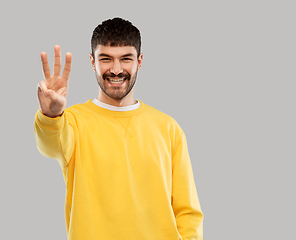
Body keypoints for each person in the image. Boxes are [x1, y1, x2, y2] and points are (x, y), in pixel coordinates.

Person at [34, 17, 203, 240]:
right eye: (106, 59)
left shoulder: (168, 128)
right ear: (92, 62)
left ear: (139, 61)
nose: (116, 69)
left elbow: (187, 212)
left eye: (125, 59)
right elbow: (50, 145)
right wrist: (51, 114)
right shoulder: (73, 121)